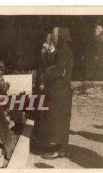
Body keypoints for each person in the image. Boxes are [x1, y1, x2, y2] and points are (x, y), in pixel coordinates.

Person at [31, 27, 73, 159]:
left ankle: (60, 149)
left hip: (60, 91)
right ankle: (59, 148)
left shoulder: (64, 51)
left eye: (55, 35)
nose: (54, 38)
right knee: (57, 120)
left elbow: (58, 70)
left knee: (59, 120)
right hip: (59, 90)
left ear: (61, 36)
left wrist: (44, 75)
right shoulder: (63, 50)